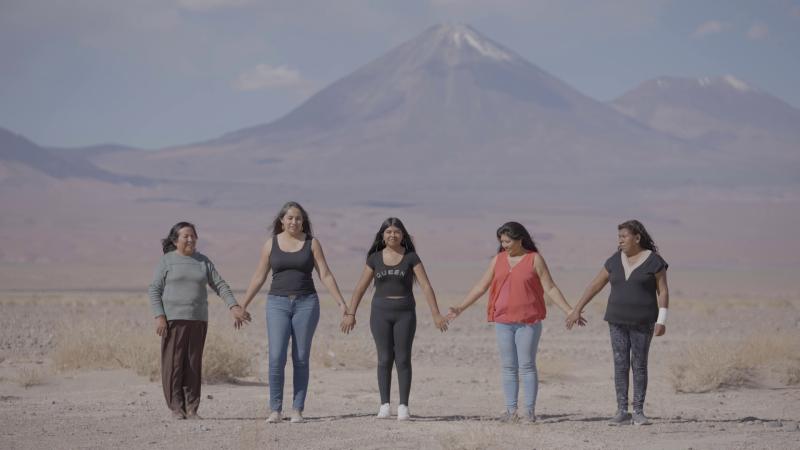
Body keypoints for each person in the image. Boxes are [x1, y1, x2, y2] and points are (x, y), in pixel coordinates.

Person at [446, 221, 584, 423]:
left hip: (528, 321)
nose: (504, 245)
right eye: (502, 242)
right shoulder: (498, 260)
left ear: (520, 239)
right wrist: (460, 307)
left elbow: (551, 288)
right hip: (503, 321)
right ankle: (511, 412)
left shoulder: (534, 259)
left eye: (508, 241)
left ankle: (529, 412)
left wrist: (570, 310)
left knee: (527, 365)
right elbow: (480, 286)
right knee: (508, 366)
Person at [239, 201, 349, 424]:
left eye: (298, 218)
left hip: (306, 304)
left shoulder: (312, 243)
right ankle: (275, 410)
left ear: (303, 221)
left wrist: (341, 303)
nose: (294, 222)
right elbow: (259, 276)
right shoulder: (271, 244)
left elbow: (325, 274)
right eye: (289, 218)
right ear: (281, 220)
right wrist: (244, 304)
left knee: (300, 358)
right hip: (276, 303)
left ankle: (297, 409)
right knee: (276, 357)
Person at [340, 217, 449, 421]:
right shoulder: (374, 258)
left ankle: (403, 406)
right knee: (384, 358)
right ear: (382, 235)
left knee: (403, 358)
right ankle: (384, 405)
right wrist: (351, 314)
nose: (392, 235)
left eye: (396, 232)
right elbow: (360, 288)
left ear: (403, 235)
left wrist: (436, 314)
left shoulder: (411, 257)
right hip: (380, 312)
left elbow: (426, 286)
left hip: (405, 313)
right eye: (388, 232)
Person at [566, 219, 669, 426]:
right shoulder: (614, 260)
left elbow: (663, 290)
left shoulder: (654, 261)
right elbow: (595, 285)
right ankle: (622, 411)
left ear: (637, 238)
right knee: (620, 363)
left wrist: (662, 320)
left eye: (624, 236)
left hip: (643, 321)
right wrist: (577, 309)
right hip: (616, 321)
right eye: (618, 237)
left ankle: (638, 411)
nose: (620, 241)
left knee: (639, 364)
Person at [148, 221, 249, 420]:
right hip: (173, 321)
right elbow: (154, 290)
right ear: (175, 240)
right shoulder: (167, 261)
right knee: (174, 365)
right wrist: (159, 316)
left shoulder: (203, 261)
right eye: (185, 236)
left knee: (193, 364)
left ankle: (192, 408)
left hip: (198, 320)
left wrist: (234, 306)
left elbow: (219, 284)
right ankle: (176, 408)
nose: (190, 239)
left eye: (193, 235)